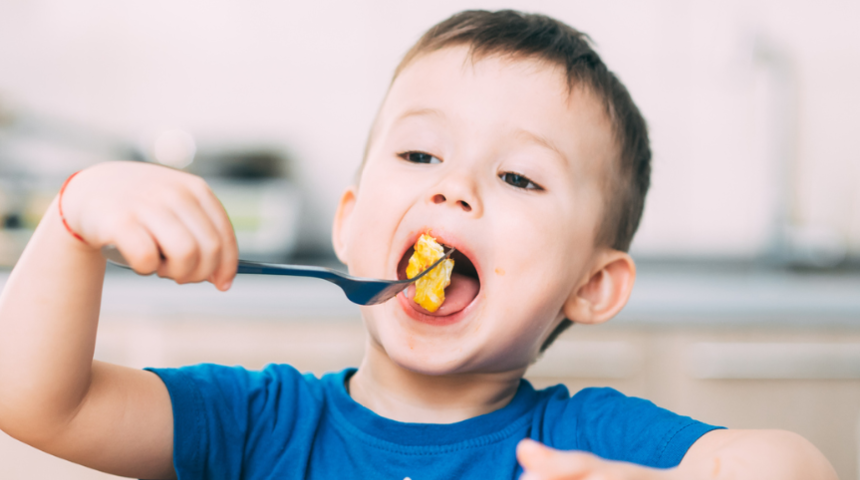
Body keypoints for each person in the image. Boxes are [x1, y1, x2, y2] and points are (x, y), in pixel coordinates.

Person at [0, 9, 837, 480]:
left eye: (518, 178)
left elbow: (793, 468)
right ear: (351, 218)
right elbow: (37, 403)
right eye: (420, 155)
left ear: (592, 286)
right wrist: (74, 220)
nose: (453, 188)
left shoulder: (586, 446)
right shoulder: (261, 424)